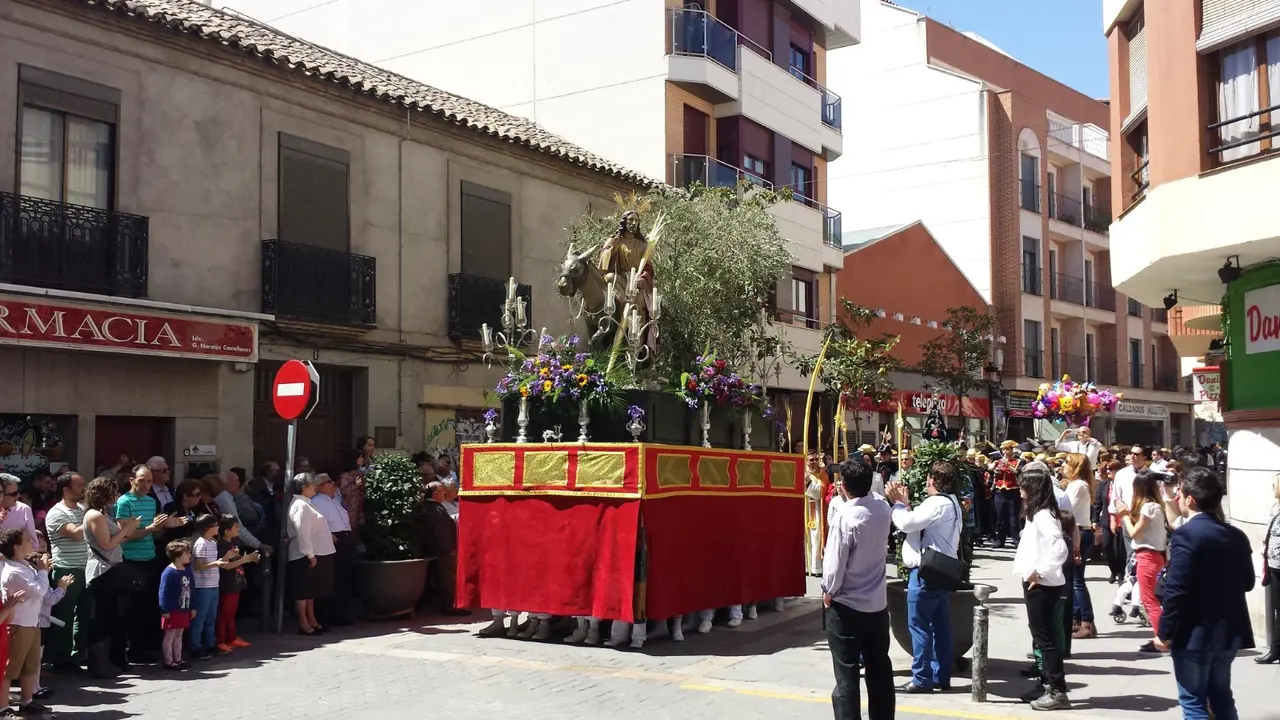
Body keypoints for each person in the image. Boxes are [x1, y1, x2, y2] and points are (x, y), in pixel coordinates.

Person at [1157, 466, 1254, 720]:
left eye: (1179, 494)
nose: (1177, 498)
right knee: (1221, 696)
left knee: (1193, 700)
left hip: (1194, 633)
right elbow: (1247, 582)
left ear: (1190, 499)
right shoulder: (1236, 535)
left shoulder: (1187, 535)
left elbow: (1176, 589)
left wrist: (1164, 632)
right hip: (1227, 631)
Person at [821, 457, 894, 720]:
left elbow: (834, 565)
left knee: (846, 676)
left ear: (843, 486)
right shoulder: (882, 507)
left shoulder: (846, 517)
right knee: (879, 671)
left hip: (848, 606)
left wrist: (828, 590)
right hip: (876, 603)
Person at [885, 461, 962, 694]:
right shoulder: (952, 502)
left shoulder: (936, 502)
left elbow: (907, 523)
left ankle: (921, 678)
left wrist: (898, 504)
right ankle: (941, 675)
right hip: (943, 570)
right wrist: (905, 504)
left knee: (919, 626)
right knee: (940, 625)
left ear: (933, 480)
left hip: (926, 572)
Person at [1013, 464, 1071, 711]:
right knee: (1040, 635)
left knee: (1044, 638)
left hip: (1042, 584)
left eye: (1023, 484)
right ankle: (1046, 682)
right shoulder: (1037, 512)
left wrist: (1041, 572)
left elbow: (1060, 547)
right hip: (1037, 581)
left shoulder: (1043, 514)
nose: (1019, 488)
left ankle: (1057, 689)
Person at [114, 465, 177, 663]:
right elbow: (126, 535)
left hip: (149, 558)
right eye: (142, 480)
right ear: (131, 479)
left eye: (149, 481)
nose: (146, 485)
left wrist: (165, 526)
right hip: (130, 560)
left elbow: (154, 532)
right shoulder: (123, 502)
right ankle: (131, 650)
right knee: (131, 608)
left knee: (148, 605)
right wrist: (150, 528)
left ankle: (144, 647)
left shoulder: (151, 502)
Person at [82, 477, 140, 678]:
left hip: (112, 569)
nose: (116, 497)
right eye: (113, 493)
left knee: (116, 616)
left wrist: (127, 528)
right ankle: (98, 665)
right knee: (102, 619)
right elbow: (106, 544)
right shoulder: (95, 515)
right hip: (102, 572)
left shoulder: (104, 514)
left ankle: (113, 660)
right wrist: (126, 529)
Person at [1115, 469, 1168, 654]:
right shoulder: (1155, 506)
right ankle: (1161, 637)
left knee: (1149, 600)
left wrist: (1123, 515)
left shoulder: (1148, 507)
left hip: (1148, 555)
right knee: (1152, 599)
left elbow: (1134, 532)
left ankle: (1163, 638)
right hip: (1154, 555)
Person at [0, 528, 48, 715]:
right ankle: (3, 708)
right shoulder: (14, 572)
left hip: (31, 622)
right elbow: (39, 591)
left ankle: (27, 701)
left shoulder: (24, 566)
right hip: (18, 624)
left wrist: (40, 571)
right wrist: (43, 572)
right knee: (9, 670)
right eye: (28, 539)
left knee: (31, 665)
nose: (32, 541)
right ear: (17, 546)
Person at [43, 471, 88, 670]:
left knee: (85, 613)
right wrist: (94, 515)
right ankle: (60, 658)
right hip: (67, 570)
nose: (84, 489)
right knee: (64, 616)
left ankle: (78, 654)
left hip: (87, 568)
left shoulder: (83, 509)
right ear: (66, 489)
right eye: (80, 486)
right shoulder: (56, 513)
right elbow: (77, 535)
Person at [285, 472, 335, 636]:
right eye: (312, 484)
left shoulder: (306, 502)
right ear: (305, 487)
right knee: (302, 590)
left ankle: (312, 620)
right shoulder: (300, 505)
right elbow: (303, 532)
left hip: (312, 553)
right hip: (303, 554)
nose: (315, 487)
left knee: (310, 591)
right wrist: (310, 554)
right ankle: (304, 624)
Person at [310, 474, 356, 626]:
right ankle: (326, 616)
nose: (333, 484)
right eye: (329, 482)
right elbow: (317, 522)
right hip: (332, 541)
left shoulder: (334, 500)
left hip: (345, 539)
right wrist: (329, 535)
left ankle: (341, 614)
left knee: (344, 577)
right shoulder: (316, 502)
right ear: (321, 486)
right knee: (331, 578)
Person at [1061, 454, 1097, 639]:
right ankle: (1077, 618)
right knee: (1073, 579)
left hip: (1080, 532)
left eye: (1067, 463)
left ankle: (1086, 622)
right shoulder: (1075, 485)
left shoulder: (1078, 486)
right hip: (1078, 531)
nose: (1063, 465)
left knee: (1077, 581)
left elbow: (1068, 511)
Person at [213, 516, 259, 652]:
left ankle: (231, 638)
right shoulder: (221, 545)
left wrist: (249, 559)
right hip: (227, 584)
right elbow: (225, 565)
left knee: (231, 613)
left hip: (236, 582)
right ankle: (220, 640)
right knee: (224, 614)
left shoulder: (233, 543)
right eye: (235, 527)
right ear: (227, 531)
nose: (238, 529)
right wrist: (245, 560)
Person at [157, 540, 194, 670]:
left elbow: (191, 588)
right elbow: (163, 591)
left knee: (179, 635)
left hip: (184, 607)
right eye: (187, 553)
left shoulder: (187, 570)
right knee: (170, 635)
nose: (189, 555)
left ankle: (178, 659)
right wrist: (164, 608)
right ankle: (168, 661)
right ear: (178, 555)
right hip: (172, 609)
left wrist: (193, 606)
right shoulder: (169, 572)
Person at [1259, 473, 1280, 664]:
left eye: (1275, 484)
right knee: (1277, 608)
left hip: (1278, 564)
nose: (1273, 488)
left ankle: (1276, 648)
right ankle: (1276, 647)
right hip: (1273, 564)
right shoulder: (1276, 508)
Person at [804, 451, 830, 576]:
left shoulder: (822, 474)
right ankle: (804, 565)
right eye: (811, 460)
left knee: (815, 537)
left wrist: (808, 482)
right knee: (804, 538)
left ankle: (816, 567)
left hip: (815, 508)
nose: (814, 462)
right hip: (802, 509)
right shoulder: (800, 472)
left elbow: (820, 492)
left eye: (815, 459)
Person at [992, 441, 1022, 548]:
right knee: (1000, 517)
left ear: (1012, 450)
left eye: (1008, 449)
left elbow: (1018, 472)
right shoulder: (999, 461)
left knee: (1014, 517)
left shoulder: (1018, 461)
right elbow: (994, 472)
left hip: (1012, 491)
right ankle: (1000, 540)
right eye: (1004, 449)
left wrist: (1008, 465)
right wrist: (995, 470)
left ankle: (1016, 540)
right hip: (1000, 491)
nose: (1005, 452)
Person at [0, 474, 41, 552]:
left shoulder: (23, 509)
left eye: (18, 492)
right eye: (14, 494)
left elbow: (33, 542)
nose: (18, 496)